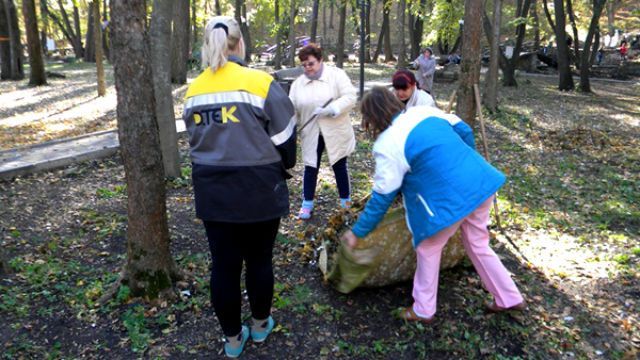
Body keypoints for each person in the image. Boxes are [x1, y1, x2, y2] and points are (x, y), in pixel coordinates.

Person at [341, 87, 525, 323]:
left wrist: (358, 233)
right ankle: (509, 296)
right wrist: (464, 159)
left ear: (371, 118)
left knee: (428, 248)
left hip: (450, 201)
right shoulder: (423, 113)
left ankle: (423, 309)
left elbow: (382, 197)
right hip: (480, 182)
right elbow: (464, 129)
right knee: (478, 243)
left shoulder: (387, 144)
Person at [182, 16, 296, 358]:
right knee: (260, 260)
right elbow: (286, 140)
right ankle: (260, 326)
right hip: (259, 188)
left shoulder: (193, 90)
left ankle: (233, 339)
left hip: (213, 190)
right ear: (239, 43)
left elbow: (195, 138)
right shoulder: (260, 82)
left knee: (224, 265)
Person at [289, 43, 357, 219]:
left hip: (335, 130)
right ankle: (307, 203)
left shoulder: (336, 75)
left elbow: (350, 96)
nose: (307, 68)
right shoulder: (298, 84)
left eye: (310, 63)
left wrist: (333, 108)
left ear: (320, 60)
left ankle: (345, 202)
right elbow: (291, 109)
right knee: (311, 166)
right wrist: (289, 127)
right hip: (311, 132)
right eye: (303, 65)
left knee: (339, 165)